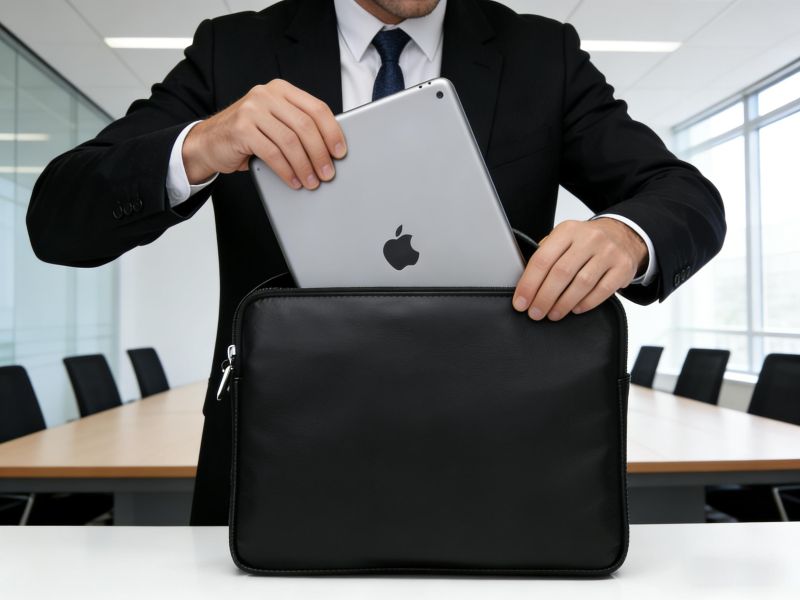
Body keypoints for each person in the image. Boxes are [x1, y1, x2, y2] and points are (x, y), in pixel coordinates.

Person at [27, 0, 725, 525]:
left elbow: (687, 197)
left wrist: (628, 234)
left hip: (494, 460)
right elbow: (58, 219)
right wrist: (200, 145)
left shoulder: (541, 51)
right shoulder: (233, 48)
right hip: (278, 454)